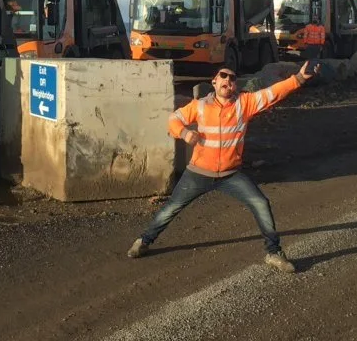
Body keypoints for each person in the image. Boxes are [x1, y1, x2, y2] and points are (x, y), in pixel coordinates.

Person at [127, 60, 321, 272]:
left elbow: (273, 93)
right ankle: (144, 241)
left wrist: (300, 78)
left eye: (232, 78)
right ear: (214, 81)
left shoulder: (244, 104)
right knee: (171, 209)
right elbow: (173, 119)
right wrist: (183, 133)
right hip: (198, 173)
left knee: (260, 203)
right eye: (223, 76)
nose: (228, 80)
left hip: (230, 174)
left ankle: (273, 253)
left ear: (235, 85)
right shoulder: (199, 106)